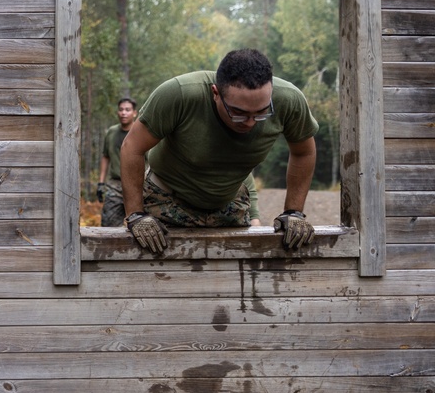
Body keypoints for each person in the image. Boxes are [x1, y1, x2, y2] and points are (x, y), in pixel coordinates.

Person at [120, 48, 317, 253]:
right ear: (215, 93)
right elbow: (132, 147)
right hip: (165, 199)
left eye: (261, 113)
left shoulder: (289, 100)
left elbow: (304, 151)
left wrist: (294, 212)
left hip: (228, 202)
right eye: (238, 113)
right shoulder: (180, 94)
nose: (250, 123)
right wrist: (136, 215)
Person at [96, 97, 137, 226]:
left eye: (127, 110)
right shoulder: (111, 132)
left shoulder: (141, 132)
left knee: (141, 223)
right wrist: (101, 182)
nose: (123, 113)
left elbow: (152, 161)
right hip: (115, 184)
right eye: (121, 110)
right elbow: (106, 156)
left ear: (134, 113)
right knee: (108, 224)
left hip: (138, 185)